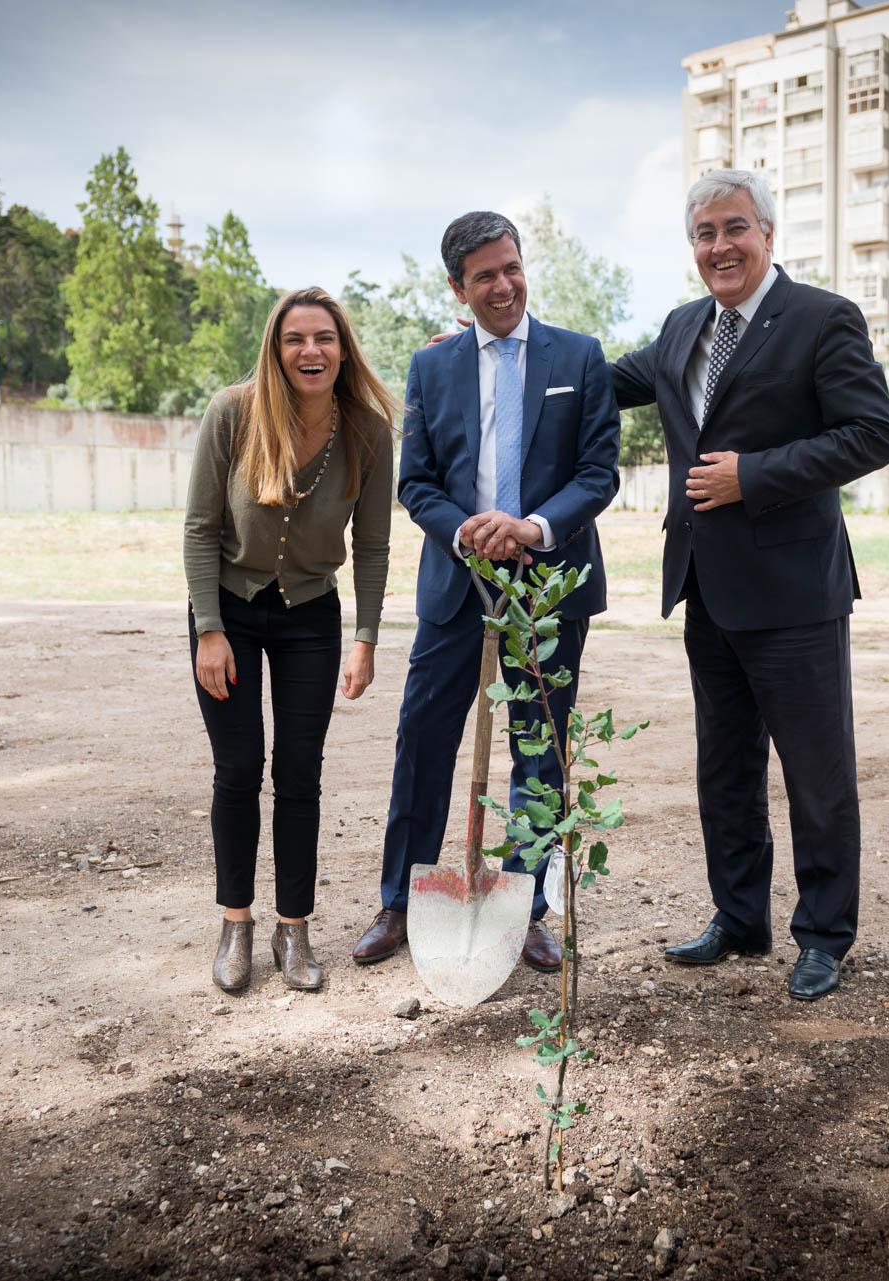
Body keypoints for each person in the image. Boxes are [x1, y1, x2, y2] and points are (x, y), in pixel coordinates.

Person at [610, 168, 889, 1001]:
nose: (719, 246)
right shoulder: (679, 329)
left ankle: (823, 935)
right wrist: (502, 341)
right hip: (708, 587)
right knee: (725, 767)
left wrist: (756, 474)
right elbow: (598, 379)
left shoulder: (821, 319)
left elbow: (872, 434)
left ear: (768, 234)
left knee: (817, 771)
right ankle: (739, 919)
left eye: (734, 228)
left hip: (796, 591)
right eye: (704, 234)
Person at [354, 210, 621, 973]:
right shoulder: (430, 367)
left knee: (539, 751)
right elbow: (418, 482)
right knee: (423, 742)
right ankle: (400, 901)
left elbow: (597, 472)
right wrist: (468, 529)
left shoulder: (579, 355)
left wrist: (532, 527)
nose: (504, 286)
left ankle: (528, 906)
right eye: (484, 277)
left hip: (550, 587)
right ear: (457, 287)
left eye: (511, 268)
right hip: (455, 585)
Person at [183, 286, 397, 993]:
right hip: (230, 612)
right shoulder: (233, 414)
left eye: (325, 338)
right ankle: (236, 923)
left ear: (343, 349)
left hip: (311, 614)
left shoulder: (366, 430)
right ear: (276, 348)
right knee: (239, 768)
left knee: (300, 772)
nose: (311, 351)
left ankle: (294, 928)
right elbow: (198, 529)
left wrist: (365, 635)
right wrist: (208, 629)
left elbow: (372, 544)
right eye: (296, 338)